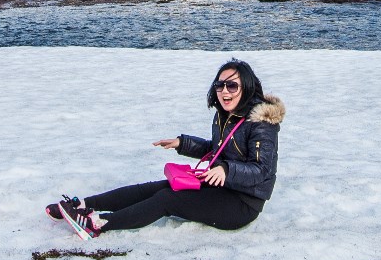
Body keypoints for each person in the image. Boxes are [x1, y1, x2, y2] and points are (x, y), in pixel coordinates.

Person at [46, 59, 284, 237]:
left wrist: (226, 171)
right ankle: (83, 205)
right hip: (221, 187)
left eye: (232, 86)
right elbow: (221, 149)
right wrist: (183, 144)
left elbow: (262, 170)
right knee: (156, 187)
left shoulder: (262, 122)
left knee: (168, 199)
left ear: (247, 87)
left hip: (242, 203)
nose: (224, 91)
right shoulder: (227, 114)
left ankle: (97, 224)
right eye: (220, 85)